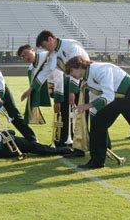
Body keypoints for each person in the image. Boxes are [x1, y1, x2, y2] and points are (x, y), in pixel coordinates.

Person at [65, 56, 130, 174]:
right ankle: (96, 162)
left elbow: (108, 96)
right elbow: (98, 95)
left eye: (71, 71)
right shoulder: (86, 78)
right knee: (97, 124)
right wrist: (93, 114)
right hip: (115, 99)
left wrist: (86, 106)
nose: (71, 75)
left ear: (79, 67)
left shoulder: (100, 70)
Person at [25, 30, 93, 158]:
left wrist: (72, 91)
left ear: (51, 39)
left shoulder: (71, 47)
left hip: (86, 84)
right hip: (79, 84)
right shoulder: (55, 53)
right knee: (79, 117)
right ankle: (80, 148)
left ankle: (94, 146)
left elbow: (78, 68)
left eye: (45, 46)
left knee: (84, 117)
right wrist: (31, 88)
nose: (45, 50)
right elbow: (47, 71)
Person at [0, 96, 71, 164]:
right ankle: (61, 150)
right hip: (0, 150)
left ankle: (53, 149)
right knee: (32, 146)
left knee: (27, 143)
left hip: (3, 142)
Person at [17, 44, 68, 145]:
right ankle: (61, 140)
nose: (26, 57)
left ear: (33, 50)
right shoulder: (31, 69)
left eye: (26, 53)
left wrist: (58, 101)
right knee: (61, 116)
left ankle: (63, 141)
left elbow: (59, 77)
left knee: (66, 115)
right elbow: (35, 85)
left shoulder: (47, 57)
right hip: (55, 92)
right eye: (23, 57)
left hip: (66, 87)